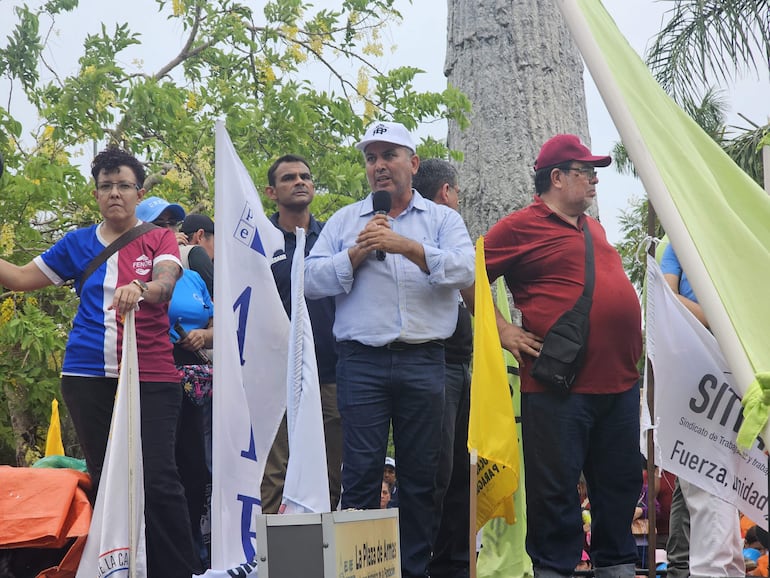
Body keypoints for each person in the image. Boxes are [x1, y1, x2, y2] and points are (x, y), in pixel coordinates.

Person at [0, 147, 201, 577]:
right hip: (86, 374)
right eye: (106, 186)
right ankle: (111, 567)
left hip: (150, 374)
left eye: (123, 185)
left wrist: (142, 288)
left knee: (159, 478)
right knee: (103, 477)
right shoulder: (77, 243)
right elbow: (18, 278)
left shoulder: (159, 237)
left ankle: (178, 570)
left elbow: (166, 282)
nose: (114, 193)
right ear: (96, 195)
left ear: (138, 192)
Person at [305, 121, 475, 578]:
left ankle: (413, 570)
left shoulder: (442, 220)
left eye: (389, 155)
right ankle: (359, 572)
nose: (379, 166)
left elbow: (465, 270)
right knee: (359, 474)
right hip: (361, 364)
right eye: (371, 158)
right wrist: (356, 254)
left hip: (426, 360)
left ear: (413, 163)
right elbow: (309, 280)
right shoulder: (345, 221)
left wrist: (407, 247)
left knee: (423, 478)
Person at [484, 134, 643, 578]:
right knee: (555, 497)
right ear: (556, 177)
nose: (594, 181)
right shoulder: (518, 226)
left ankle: (617, 568)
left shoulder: (593, 228)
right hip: (560, 388)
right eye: (586, 172)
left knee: (619, 490)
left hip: (620, 385)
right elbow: (469, 274)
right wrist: (502, 329)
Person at [259, 154, 342, 512]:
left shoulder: (333, 237)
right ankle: (268, 561)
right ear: (271, 191)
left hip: (331, 372)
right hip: (276, 375)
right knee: (274, 473)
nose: (299, 182)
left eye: (305, 176)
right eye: (289, 177)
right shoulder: (257, 240)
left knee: (329, 474)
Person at [137, 196, 214, 569]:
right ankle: (161, 559)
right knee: (162, 472)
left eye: (172, 224)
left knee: (195, 470)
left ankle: (195, 555)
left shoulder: (195, 273)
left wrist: (203, 336)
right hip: (153, 376)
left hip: (197, 382)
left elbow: (222, 322)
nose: (167, 230)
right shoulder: (131, 268)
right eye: (158, 224)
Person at [660, 242, 745, 578]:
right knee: (709, 503)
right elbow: (666, 297)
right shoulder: (677, 241)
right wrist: (716, 316)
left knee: (726, 518)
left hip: (732, 380)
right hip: (698, 378)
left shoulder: (726, 238)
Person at [413, 158, 472, 578]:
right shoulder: (422, 232)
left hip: (466, 365)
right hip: (437, 365)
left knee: (463, 474)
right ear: (447, 193)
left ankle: (456, 562)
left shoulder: (454, 241)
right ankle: (426, 562)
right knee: (438, 472)